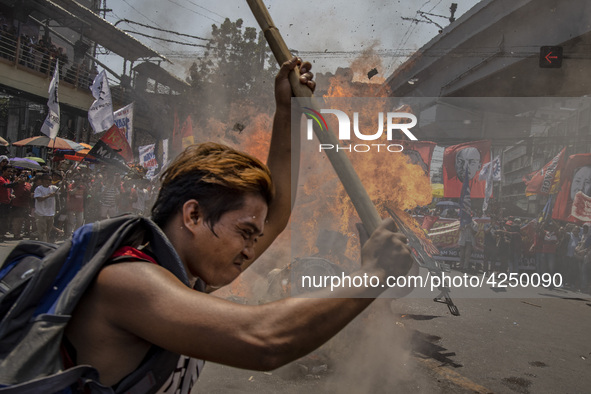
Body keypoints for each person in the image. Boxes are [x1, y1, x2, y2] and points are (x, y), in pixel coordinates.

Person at [62, 58, 413, 392]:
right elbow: (264, 341)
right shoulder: (129, 281)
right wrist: (374, 275)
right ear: (193, 216)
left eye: (254, 237)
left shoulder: (185, 277)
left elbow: (276, 215)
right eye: (245, 233)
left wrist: (287, 113)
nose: (250, 250)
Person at [33, 172, 59, 243]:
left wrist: (64, 183)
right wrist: (49, 196)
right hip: (41, 213)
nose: (50, 181)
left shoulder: (53, 188)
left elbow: (61, 190)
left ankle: (46, 243)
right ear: (43, 180)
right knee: (42, 231)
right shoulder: (39, 188)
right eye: (48, 180)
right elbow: (39, 199)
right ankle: (42, 243)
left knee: (48, 231)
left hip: (50, 213)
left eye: (50, 180)